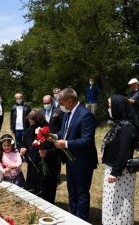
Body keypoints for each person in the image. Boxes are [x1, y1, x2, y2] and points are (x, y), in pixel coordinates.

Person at [53, 88, 98, 221]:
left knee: (81, 191)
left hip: (83, 160)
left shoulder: (85, 115)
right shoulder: (67, 113)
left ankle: (81, 219)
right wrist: (55, 136)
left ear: (70, 101)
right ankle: (73, 216)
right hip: (70, 159)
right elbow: (65, 131)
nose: (60, 106)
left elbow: (87, 140)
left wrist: (65, 144)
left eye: (61, 103)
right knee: (71, 189)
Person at [101, 95, 139, 224]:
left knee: (119, 204)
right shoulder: (119, 124)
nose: (109, 109)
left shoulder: (126, 127)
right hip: (114, 170)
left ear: (119, 107)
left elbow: (124, 151)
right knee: (111, 202)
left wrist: (115, 172)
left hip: (120, 174)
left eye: (111, 106)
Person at [20, 110, 61, 204]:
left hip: (47, 167)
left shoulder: (48, 131)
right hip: (33, 167)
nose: (31, 125)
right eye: (29, 122)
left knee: (46, 191)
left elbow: (58, 150)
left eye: (32, 122)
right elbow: (24, 144)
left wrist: (47, 152)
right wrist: (23, 149)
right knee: (33, 189)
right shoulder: (28, 131)